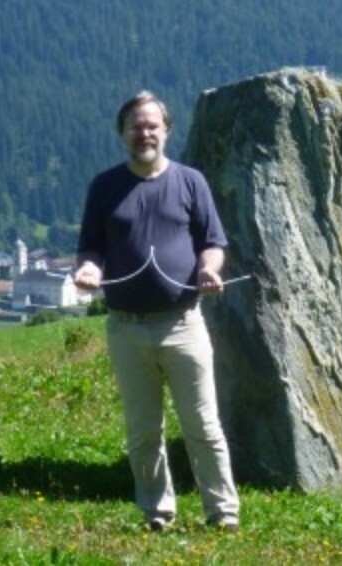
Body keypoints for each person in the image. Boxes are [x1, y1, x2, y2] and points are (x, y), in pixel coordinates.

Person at [74, 90, 240, 532]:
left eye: (152, 125)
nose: (144, 133)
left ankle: (223, 513)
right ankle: (156, 513)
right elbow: (91, 246)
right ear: (122, 133)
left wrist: (208, 270)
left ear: (166, 131)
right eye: (135, 126)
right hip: (126, 329)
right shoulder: (104, 187)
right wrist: (89, 268)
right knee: (144, 431)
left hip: (183, 324)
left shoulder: (190, 182)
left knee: (203, 425)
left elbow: (213, 243)